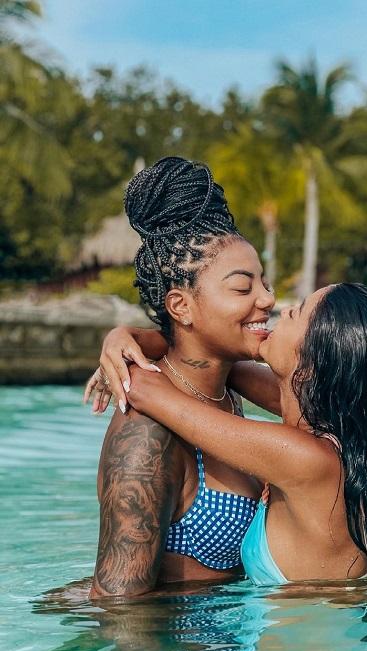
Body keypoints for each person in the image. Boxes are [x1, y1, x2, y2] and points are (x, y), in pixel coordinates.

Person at [103, 282, 367, 584]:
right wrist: (126, 336)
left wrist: (119, 351)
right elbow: (207, 360)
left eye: (296, 313)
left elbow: (145, 388)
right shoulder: (330, 432)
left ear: (310, 364)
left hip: (313, 644)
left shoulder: (308, 459)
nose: (279, 309)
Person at [87, 156, 276, 599]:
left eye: (263, 283)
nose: (267, 299)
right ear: (181, 307)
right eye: (242, 288)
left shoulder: (225, 391)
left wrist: (131, 335)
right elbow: (120, 609)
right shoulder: (147, 433)